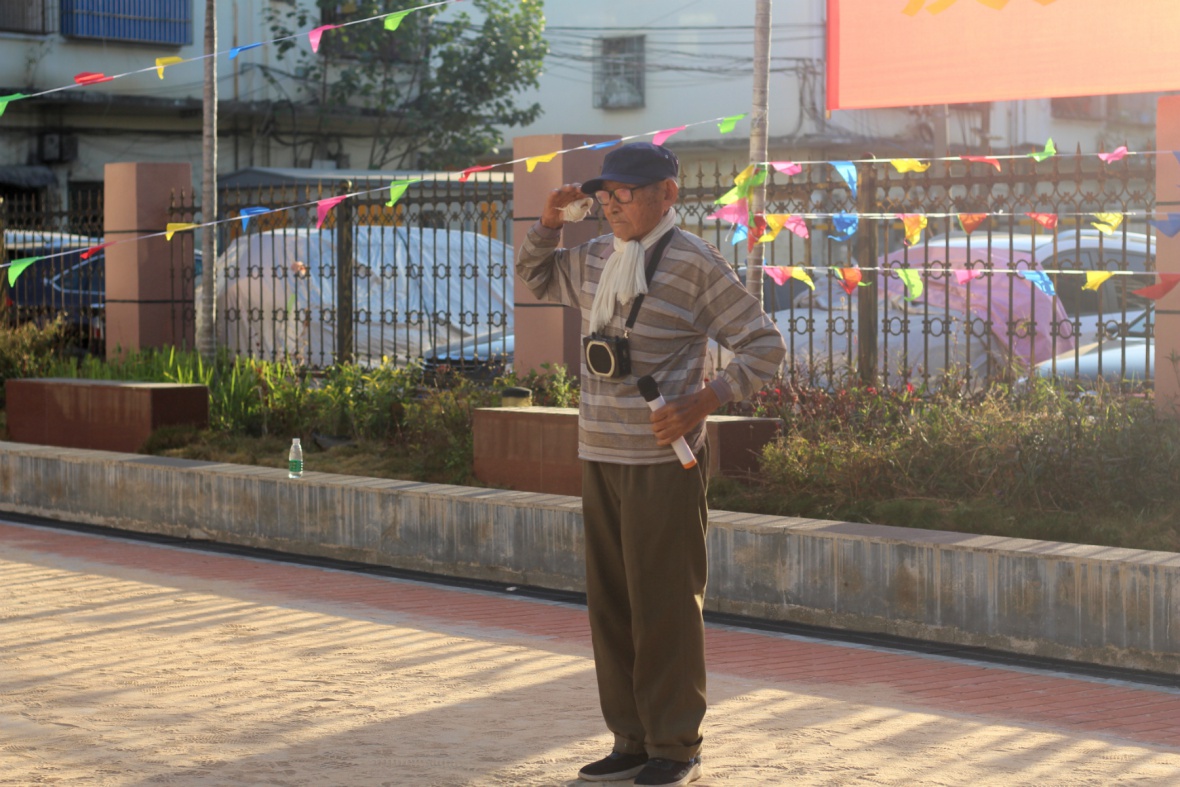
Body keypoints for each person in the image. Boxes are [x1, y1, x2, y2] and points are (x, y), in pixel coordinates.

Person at [516, 142, 786, 786]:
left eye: (626, 194)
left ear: (667, 194)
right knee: (611, 605)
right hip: (599, 451)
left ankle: (675, 745)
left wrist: (704, 400)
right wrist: (549, 223)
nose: (612, 205)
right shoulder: (596, 255)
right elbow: (536, 276)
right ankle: (631, 739)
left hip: (664, 459)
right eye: (605, 195)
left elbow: (764, 346)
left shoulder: (694, 262)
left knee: (665, 604)